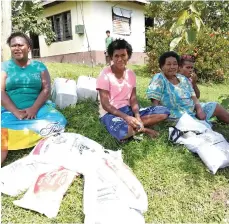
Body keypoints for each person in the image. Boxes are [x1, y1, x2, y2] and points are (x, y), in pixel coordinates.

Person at [1, 32, 67, 164]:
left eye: (20, 45)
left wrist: (34, 109)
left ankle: (17, 135)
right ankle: (35, 134)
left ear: (29, 48)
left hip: (38, 109)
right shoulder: (4, 67)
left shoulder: (39, 67)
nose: (17, 48)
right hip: (10, 111)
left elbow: (46, 89)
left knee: (59, 121)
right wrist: (16, 112)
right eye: (13, 46)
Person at [96, 39, 170, 142]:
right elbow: (105, 105)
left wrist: (137, 116)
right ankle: (142, 129)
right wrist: (126, 117)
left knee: (164, 112)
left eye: (123, 55)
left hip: (128, 110)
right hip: (110, 113)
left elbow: (133, 99)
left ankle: (135, 125)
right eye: (116, 56)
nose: (120, 59)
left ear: (128, 56)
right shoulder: (104, 74)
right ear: (111, 57)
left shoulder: (131, 74)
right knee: (123, 132)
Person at [146, 51, 229, 127]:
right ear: (161, 66)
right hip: (177, 115)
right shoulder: (159, 79)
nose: (172, 67)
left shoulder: (182, 78)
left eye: (175, 64)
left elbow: (194, 96)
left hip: (193, 110)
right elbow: (155, 104)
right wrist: (155, 121)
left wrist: (199, 110)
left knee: (215, 106)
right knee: (201, 128)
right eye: (168, 64)